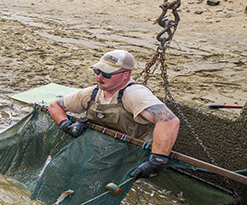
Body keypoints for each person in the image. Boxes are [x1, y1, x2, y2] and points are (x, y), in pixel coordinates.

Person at [47, 49, 181, 178]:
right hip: (99, 154)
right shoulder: (93, 93)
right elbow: (54, 106)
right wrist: (66, 125)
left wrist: (157, 161)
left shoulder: (134, 94)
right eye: (97, 71)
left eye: (106, 74)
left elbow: (169, 121)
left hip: (130, 158)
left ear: (126, 75)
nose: (98, 77)